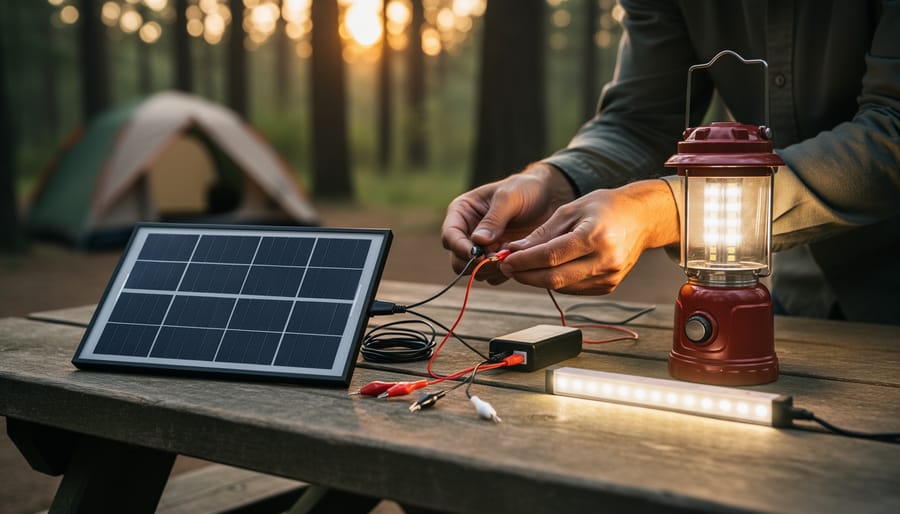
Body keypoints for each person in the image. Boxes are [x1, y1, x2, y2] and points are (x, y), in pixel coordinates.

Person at [441, 0, 900, 325]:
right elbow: (640, 120)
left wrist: (668, 209)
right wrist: (556, 181)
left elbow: (892, 133)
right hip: (802, 305)